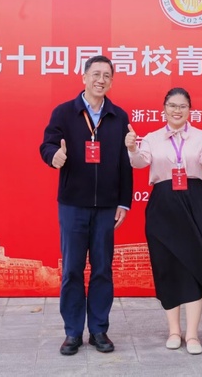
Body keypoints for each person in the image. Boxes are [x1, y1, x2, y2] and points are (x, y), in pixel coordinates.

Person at [125, 87, 202, 355]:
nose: (177, 110)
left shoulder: (200, 136)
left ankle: (193, 334)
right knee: (167, 267)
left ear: (190, 110)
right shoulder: (152, 137)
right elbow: (140, 163)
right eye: (172, 106)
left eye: (183, 106)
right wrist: (131, 147)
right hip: (163, 204)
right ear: (164, 108)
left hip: (196, 201)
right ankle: (174, 331)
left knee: (197, 266)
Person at [39, 55, 133, 356]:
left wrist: (124, 202)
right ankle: (72, 332)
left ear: (112, 81)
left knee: (103, 269)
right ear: (84, 77)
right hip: (73, 205)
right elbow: (47, 144)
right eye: (95, 74)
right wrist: (54, 156)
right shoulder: (64, 113)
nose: (100, 80)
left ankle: (99, 330)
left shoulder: (118, 116)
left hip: (106, 206)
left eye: (106, 75)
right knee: (72, 270)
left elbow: (125, 163)